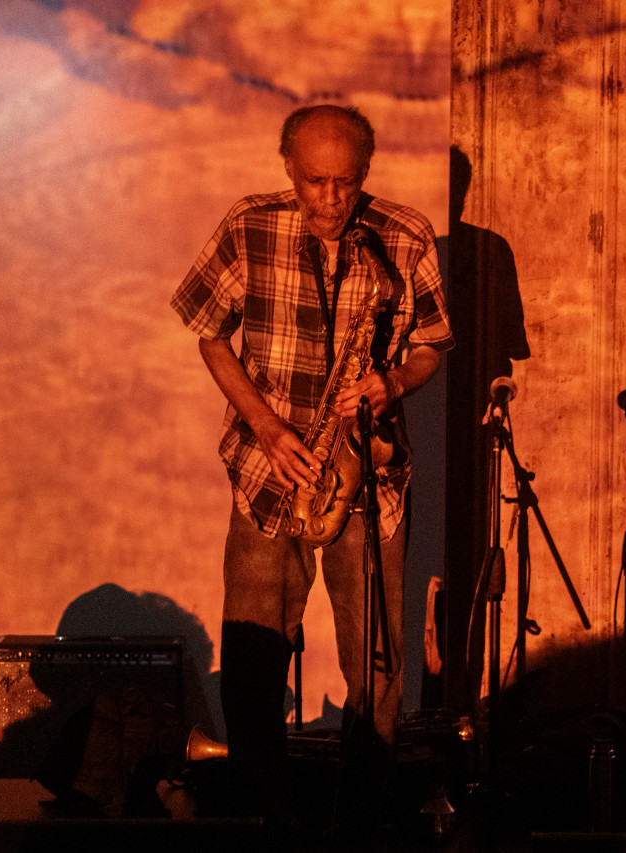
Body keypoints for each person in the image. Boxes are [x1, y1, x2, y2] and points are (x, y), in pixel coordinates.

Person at [170, 104, 453, 836]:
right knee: (255, 657)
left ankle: (361, 820)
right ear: (287, 166)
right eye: (315, 181)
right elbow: (208, 333)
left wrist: (394, 381)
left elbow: (432, 345)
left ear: (366, 172)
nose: (331, 199)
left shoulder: (403, 234)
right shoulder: (248, 224)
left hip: (371, 480)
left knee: (378, 666)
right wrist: (266, 426)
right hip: (271, 474)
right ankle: (272, 814)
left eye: (347, 183)